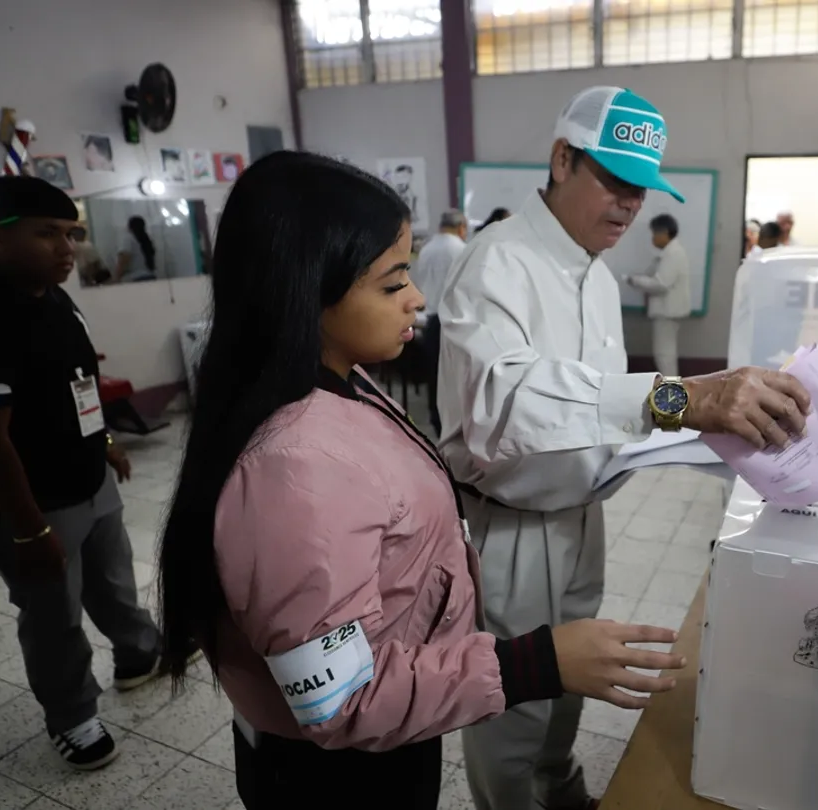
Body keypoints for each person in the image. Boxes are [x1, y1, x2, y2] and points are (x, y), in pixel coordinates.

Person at [155, 152, 685, 810]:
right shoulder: (294, 465)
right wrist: (534, 664)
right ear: (306, 289)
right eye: (392, 281)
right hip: (338, 773)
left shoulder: (341, 381)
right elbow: (343, 699)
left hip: (391, 728)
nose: (419, 297)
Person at [437, 86, 811, 810]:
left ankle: (559, 784)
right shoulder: (497, 265)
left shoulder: (601, 280)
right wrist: (679, 398)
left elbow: (599, 405)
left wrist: (703, 434)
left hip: (584, 516)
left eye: (640, 189)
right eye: (613, 181)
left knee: (573, 685)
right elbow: (500, 406)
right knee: (513, 707)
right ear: (561, 159)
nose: (629, 205)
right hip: (512, 527)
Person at [0, 176, 163, 771]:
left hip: (85, 478)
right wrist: (26, 530)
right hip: (25, 500)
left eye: (71, 233)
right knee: (54, 610)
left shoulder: (54, 299)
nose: (66, 248)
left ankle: (139, 653)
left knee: (111, 577)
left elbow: (77, 384)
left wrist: (104, 441)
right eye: (47, 234)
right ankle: (73, 715)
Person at [412, 210, 469, 434]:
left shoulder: (426, 249)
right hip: (453, 321)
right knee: (455, 380)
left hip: (430, 321)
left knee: (435, 378)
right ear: (462, 227)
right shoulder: (462, 250)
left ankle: (437, 423)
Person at [625, 213, 692, 376]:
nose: (653, 238)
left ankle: (673, 394)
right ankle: (672, 392)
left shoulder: (673, 253)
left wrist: (635, 280)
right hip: (667, 311)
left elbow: (661, 284)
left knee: (664, 355)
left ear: (664, 232)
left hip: (667, 311)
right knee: (665, 354)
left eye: (655, 234)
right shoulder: (670, 252)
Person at [115, 216, 156, 282]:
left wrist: (117, 277)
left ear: (129, 227)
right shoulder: (146, 240)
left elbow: (124, 258)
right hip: (150, 276)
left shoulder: (128, 238)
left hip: (136, 279)